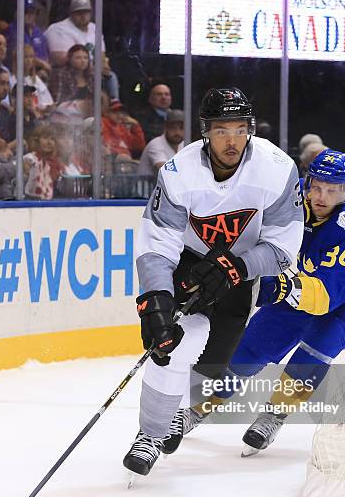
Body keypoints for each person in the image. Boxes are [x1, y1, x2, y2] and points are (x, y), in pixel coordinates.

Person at [122, 87, 304, 476]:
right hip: (189, 261)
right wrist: (156, 297)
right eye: (222, 130)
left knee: (217, 358)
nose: (232, 140)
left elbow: (284, 247)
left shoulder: (277, 169)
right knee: (171, 343)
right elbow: (157, 244)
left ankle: (177, 410)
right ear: (206, 132)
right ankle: (150, 434)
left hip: (243, 265)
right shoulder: (178, 172)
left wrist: (236, 267)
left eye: (240, 129)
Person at [179, 150, 345, 455]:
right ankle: (199, 408)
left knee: (323, 336)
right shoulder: (293, 208)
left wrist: (273, 287)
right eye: (317, 186)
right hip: (310, 285)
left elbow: (325, 299)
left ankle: (274, 413)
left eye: (333, 190)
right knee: (252, 346)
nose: (322, 196)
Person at [44, 0, 106, 68]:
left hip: (91, 71)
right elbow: (62, 60)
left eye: (86, 12)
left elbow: (102, 55)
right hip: (66, 72)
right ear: (71, 14)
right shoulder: (58, 29)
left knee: (111, 76)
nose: (83, 16)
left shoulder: (94, 28)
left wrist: (103, 65)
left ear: (91, 13)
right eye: (79, 13)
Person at [6, 0, 50, 74]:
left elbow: (45, 55)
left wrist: (44, 67)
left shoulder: (38, 32)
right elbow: (18, 54)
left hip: (39, 72)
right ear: (17, 12)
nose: (29, 15)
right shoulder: (12, 30)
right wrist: (42, 64)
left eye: (32, 12)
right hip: (19, 73)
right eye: (26, 12)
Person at [23, 124, 65, 200]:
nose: (49, 142)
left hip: (49, 203)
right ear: (37, 140)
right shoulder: (30, 158)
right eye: (45, 138)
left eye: (52, 139)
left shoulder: (54, 163)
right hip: (31, 202)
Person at [138, 109, 184, 177]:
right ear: (165, 128)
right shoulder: (156, 144)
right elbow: (166, 171)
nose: (177, 132)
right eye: (173, 128)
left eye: (181, 128)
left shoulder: (184, 144)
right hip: (146, 186)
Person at [102, 96, 145, 160]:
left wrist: (136, 125)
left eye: (121, 112)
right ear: (106, 112)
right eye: (115, 112)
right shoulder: (102, 123)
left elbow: (138, 146)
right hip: (109, 161)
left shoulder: (121, 128)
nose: (119, 115)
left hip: (125, 164)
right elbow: (106, 146)